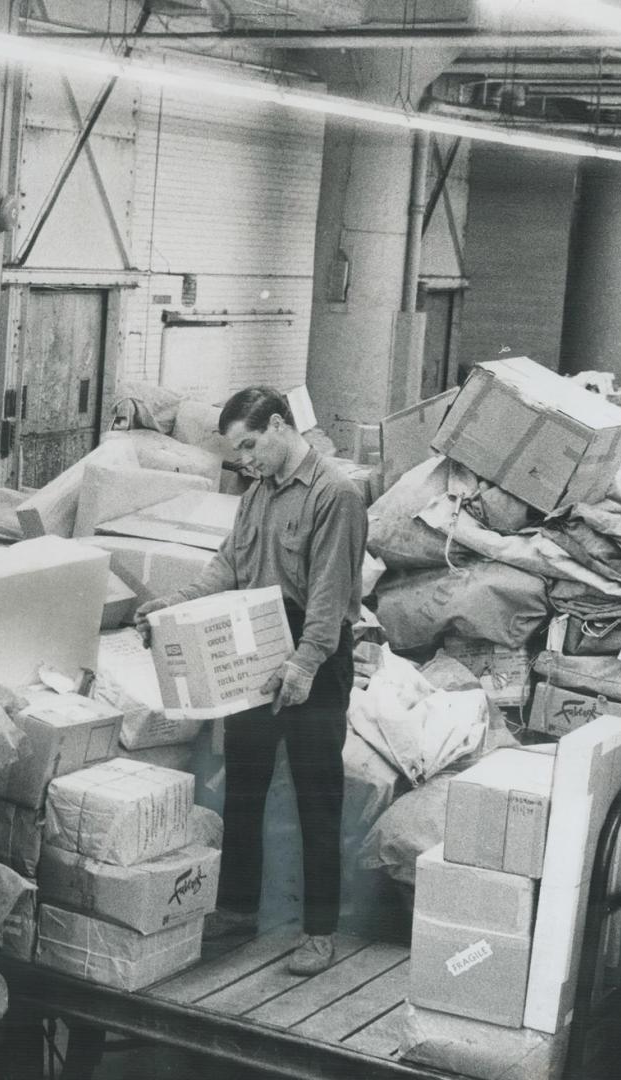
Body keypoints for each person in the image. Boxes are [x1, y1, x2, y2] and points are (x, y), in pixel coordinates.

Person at [134, 386, 367, 976]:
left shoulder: (333, 495)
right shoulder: (256, 494)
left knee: (319, 798)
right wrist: (170, 605)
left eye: (250, 446)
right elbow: (228, 567)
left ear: (281, 426)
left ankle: (319, 931)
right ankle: (237, 908)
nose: (245, 461)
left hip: (316, 654)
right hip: (258, 641)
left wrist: (306, 664)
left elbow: (328, 595)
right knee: (244, 785)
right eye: (238, 453)